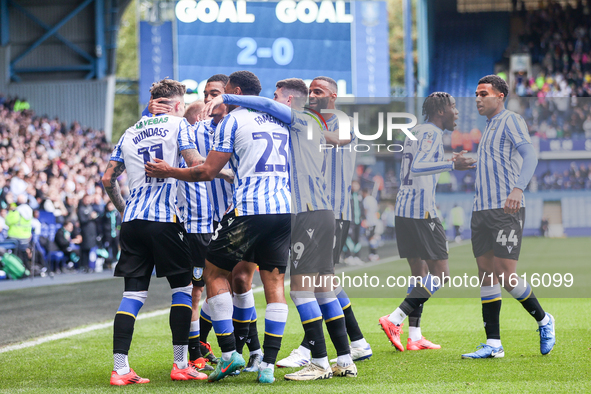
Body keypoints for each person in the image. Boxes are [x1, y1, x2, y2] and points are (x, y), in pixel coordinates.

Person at [209, 77, 370, 379]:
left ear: (288, 101)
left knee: (301, 292)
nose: (273, 100)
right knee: (324, 290)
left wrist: (231, 100)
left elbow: (268, 106)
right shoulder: (310, 124)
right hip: (323, 211)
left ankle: (320, 363)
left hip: (306, 211)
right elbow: (333, 139)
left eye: (277, 96)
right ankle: (346, 358)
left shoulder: (296, 118)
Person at [146, 71, 291, 384]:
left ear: (234, 92)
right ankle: (266, 364)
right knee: (275, 286)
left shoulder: (233, 121)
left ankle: (228, 355)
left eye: (222, 93)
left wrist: (169, 170)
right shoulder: (281, 121)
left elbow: (207, 171)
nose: (217, 98)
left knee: (212, 274)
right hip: (283, 210)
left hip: (250, 210)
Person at [102, 78, 208, 385]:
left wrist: (124, 210)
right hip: (164, 219)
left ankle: (120, 369)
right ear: (177, 104)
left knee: (133, 294)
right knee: (183, 289)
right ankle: (180, 364)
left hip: (133, 222)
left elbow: (108, 178)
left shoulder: (130, 131)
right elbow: (195, 164)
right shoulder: (179, 126)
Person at [462, 75, 555, 359]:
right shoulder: (488, 127)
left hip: (506, 208)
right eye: (476, 94)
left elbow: (530, 156)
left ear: (500, 95)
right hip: (481, 209)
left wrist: (517, 188)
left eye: (483, 93)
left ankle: (544, 319)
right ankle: (493, 343)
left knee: (506, 274)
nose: (478, 98)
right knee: (486, 274)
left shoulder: (511, 119)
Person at [379, 92, 476, 352]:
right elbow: (419, 166)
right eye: (453, 107)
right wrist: (452, 165)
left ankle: (415, 336)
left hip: (404, 209)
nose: (457, 111)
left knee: (419, 275)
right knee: (440, 274)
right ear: (441, 111)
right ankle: (394, 319)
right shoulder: (432, 133)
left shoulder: (417, 131)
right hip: (422, 211)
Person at [77, 194, 98, 273]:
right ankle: (84, 266)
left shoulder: (90, 207)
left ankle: (90, 266)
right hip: (85, 232)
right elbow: (82, 220)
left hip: (92, 232)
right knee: (85, 249)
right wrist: (90, 217)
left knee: (91, 249)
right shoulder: (81, 209)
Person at [361, 189, 380, 261]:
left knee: (370, 238)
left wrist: (364, 219)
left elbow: (365, 210)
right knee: (372, 237)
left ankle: (374, 254)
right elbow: (377, 208)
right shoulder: (373, 199)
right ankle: (373, 254)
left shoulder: (366, 199)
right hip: (374, 221)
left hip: (369, 221)